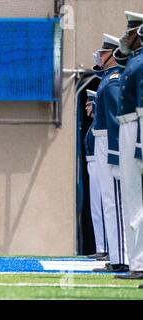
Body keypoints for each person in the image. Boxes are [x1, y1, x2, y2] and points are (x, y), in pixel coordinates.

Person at [90, 34, 128, 273]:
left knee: (114, 201)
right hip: (101, 140)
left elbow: (115, 120)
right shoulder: (107, 79)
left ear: (112, 54)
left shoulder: (113, 80)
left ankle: (121, 257)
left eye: (103, 53)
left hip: (108, 142)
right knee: (108, 201)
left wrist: (115, 152)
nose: (100, 57)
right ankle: (116, 255)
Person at [114, 11, 143, 280]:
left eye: (130, 32)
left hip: (136, 128)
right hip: (129, 127)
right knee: (132, 201)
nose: (125, 36)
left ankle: (139, 263)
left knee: (136, 202)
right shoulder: (135, 60)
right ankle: (137, 263)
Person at [84, 90, 108, 261]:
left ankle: (106, 247)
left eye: (89, 104)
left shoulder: (99, 124)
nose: (86, 108)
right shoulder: (93, 125)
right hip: (92, 164)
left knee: (103, 205)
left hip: (99, 164)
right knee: (96, 208)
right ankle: (101, 246)